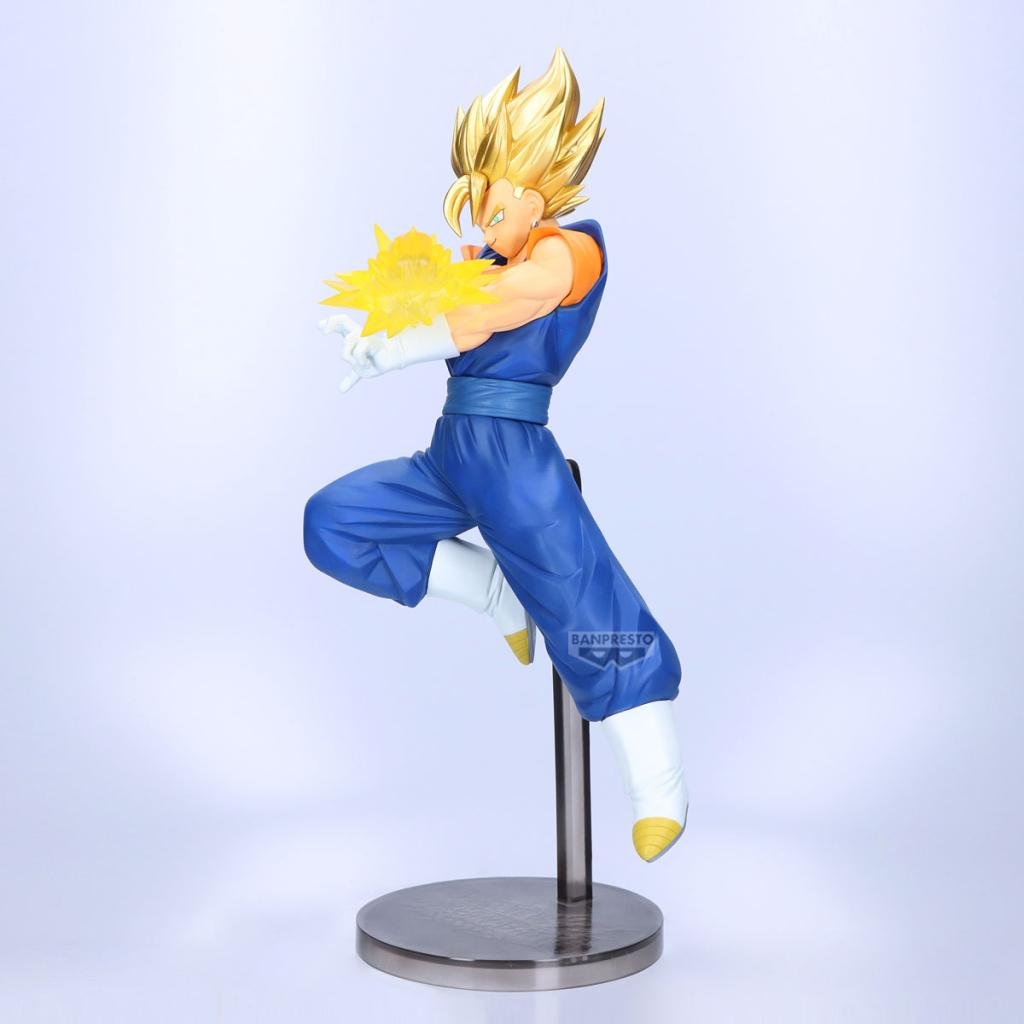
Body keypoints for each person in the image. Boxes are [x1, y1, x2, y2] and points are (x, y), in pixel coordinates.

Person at [305, 49, 688, 861]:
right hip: (451, 454)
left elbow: (506, 305)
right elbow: (463, 306)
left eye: (493, 202)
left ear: (533, 190)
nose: (481, 221)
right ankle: (491, 591)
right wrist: (379, 331)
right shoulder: (484, 262)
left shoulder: (570, 250)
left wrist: (407, 337)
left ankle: (659, 787)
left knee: (589, 610)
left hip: (515, 459)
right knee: (334, 522)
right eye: (475, 202)